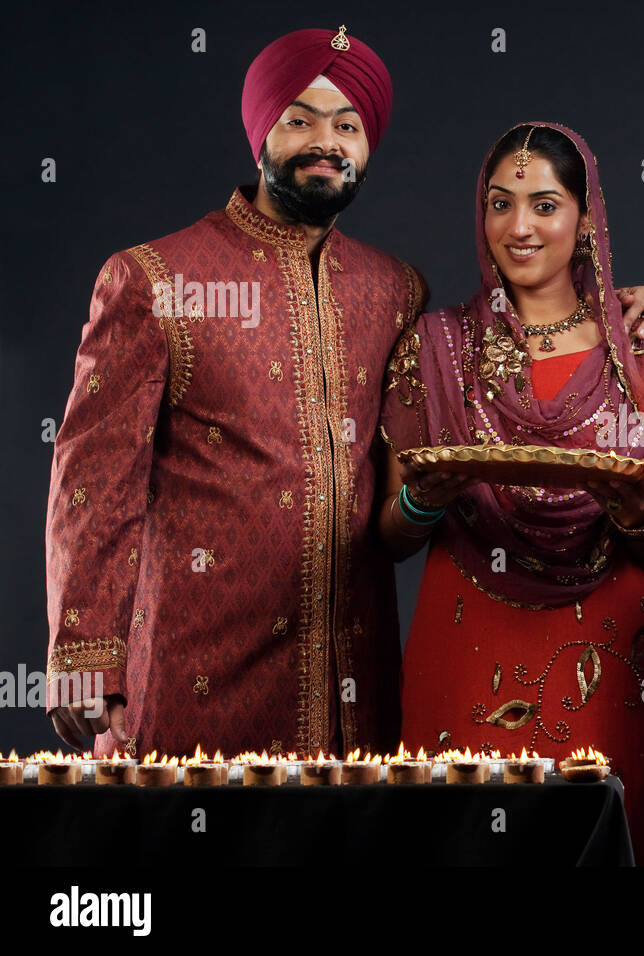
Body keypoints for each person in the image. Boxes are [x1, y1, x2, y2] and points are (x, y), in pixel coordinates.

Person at [44, 26, 426, 759]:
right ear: (260, 134)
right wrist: (86, 659)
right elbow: (92, 480)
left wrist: (612, 304)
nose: (327, 142)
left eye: (349, 125)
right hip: (193, 672)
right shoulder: (155, 279)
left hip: (354, 680)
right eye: (300, 119)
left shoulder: (396, 290)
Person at [377, 122, 644, 866]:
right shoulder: (436, 343)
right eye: (500, 203)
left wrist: (638, 513)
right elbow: (389, 536)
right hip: (465, 629)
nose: (519, 228)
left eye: (545, 204)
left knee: (590, 840)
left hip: (607, 645)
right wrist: (425, 499)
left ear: (585, 220)